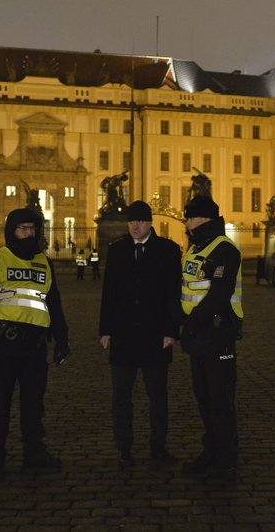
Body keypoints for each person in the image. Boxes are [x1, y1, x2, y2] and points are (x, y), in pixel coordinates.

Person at [0, 208, 71, 480]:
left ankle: (34, 453)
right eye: (22, 229)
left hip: (34, 348)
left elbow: (53, 303)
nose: (28, 233)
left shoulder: (45, 263)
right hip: (1, 346)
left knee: (33, 406)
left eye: (32, 228)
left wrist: (61, 338)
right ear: (11, 231)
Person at [99, 200, 183, 468]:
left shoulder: (168, 251)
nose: (135, 226)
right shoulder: (117, 250)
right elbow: (108, 293)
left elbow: (173, 294)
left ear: (150, 223)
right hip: (123, 336)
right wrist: (105, 330)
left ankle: (158, 446)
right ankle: (124, 447)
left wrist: (172, 330)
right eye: (131, 221)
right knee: (120, 398)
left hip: (155, 335)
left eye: (140, 221)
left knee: (157, 397)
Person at [178, 195, 243, 480]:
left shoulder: (225, 249)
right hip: (198, 333)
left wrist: (192, 321)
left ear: (203, 219)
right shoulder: (195, 248)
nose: (187, 223)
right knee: (204, 397)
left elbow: (219, 294)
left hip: (218, 331)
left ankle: (226, 458)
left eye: (190, 218)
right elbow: (187, 288)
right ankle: (211, 450)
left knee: (220, 399)